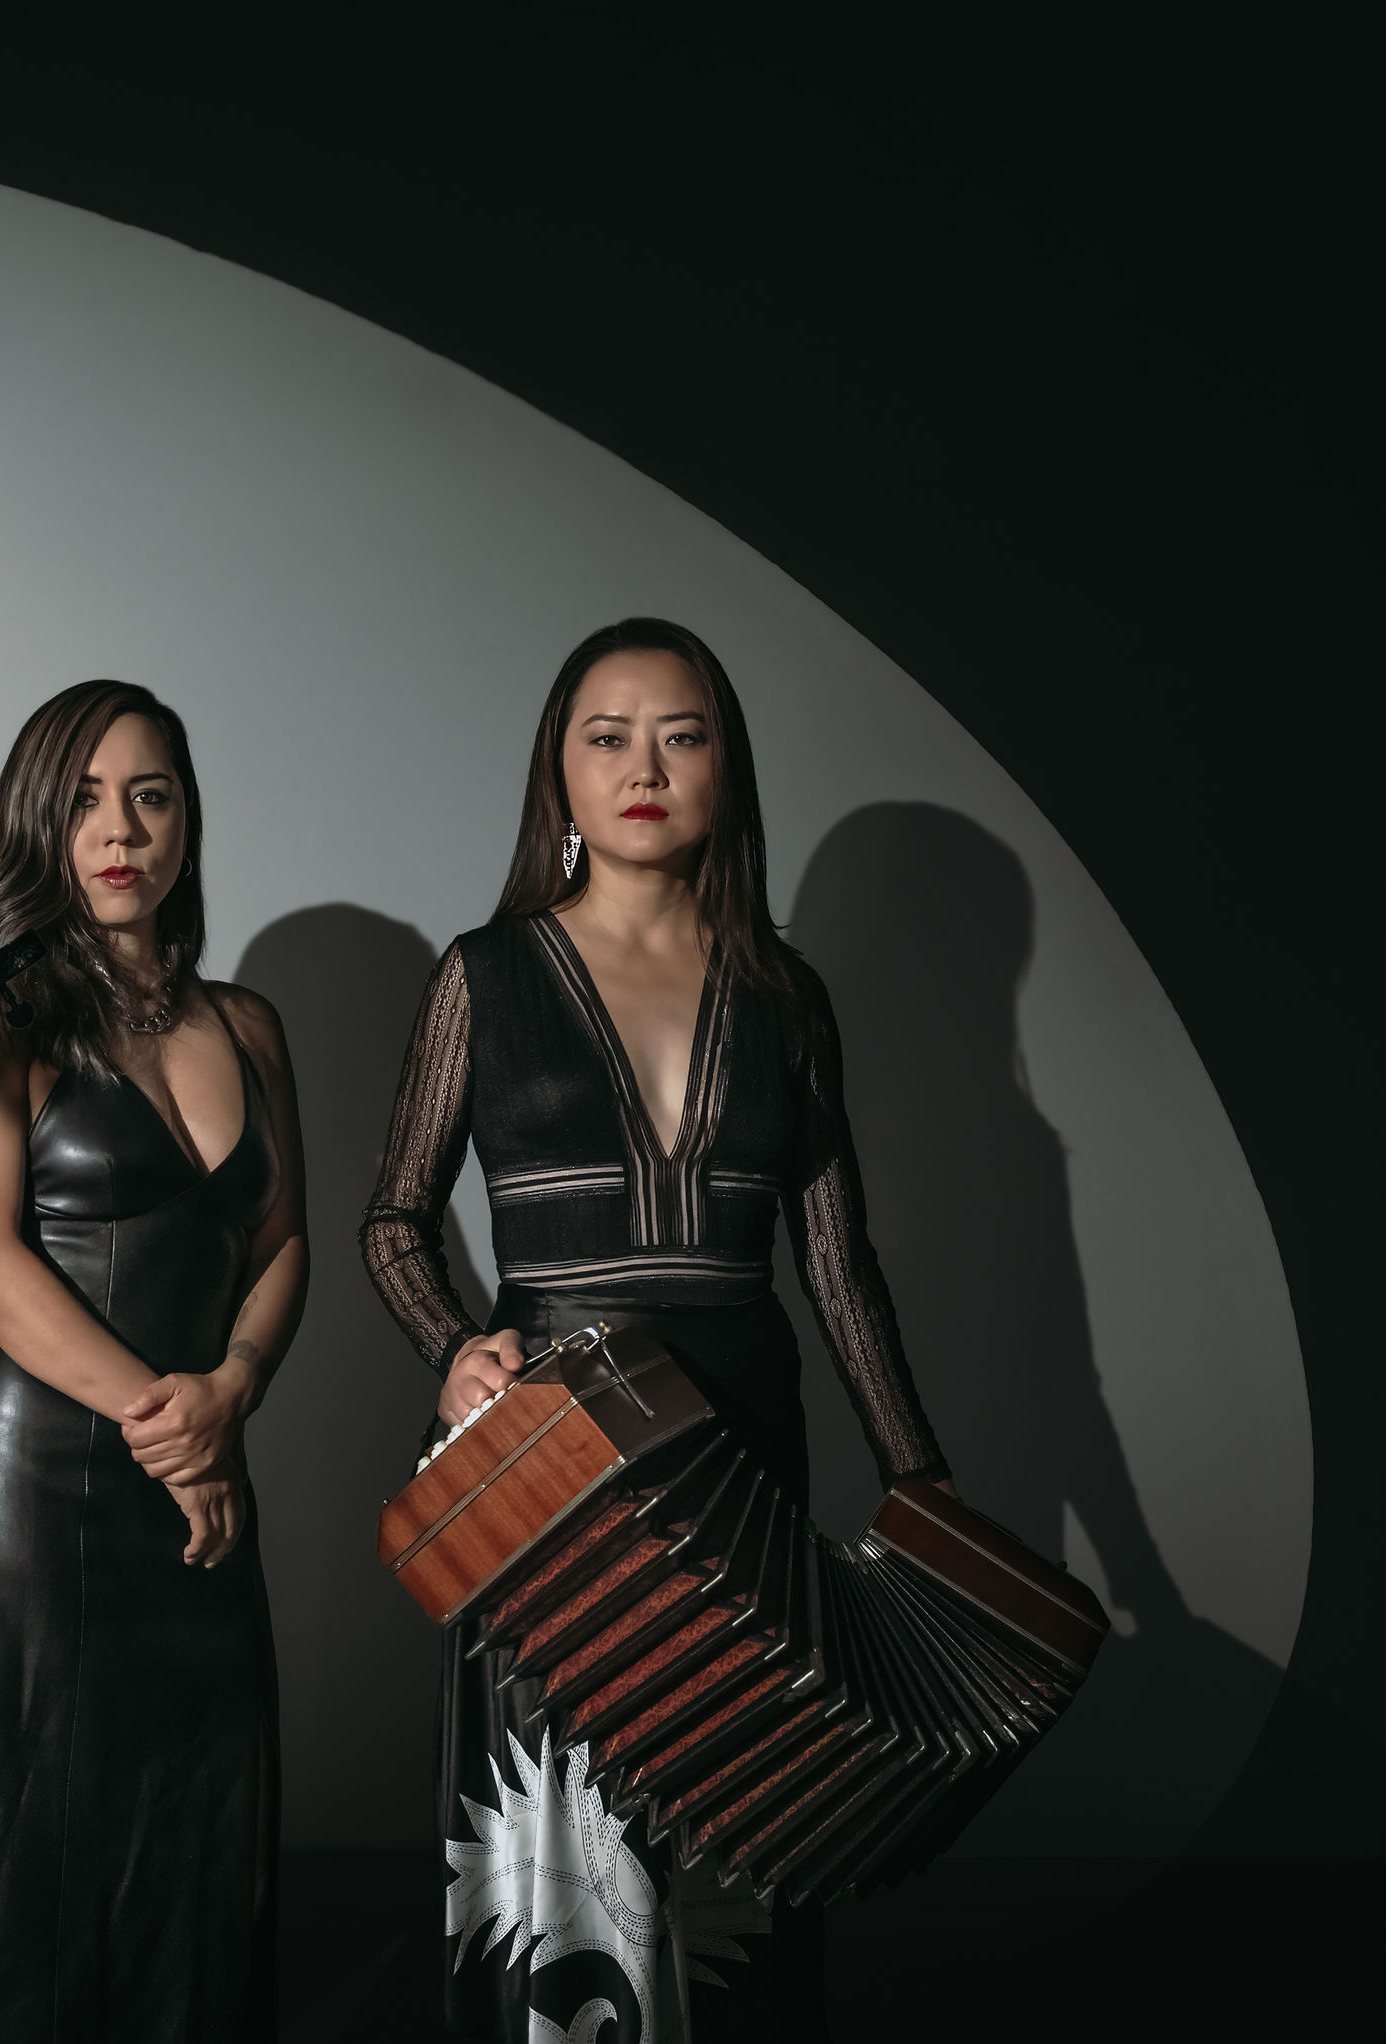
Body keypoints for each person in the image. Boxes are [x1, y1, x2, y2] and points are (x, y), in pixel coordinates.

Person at [362, 617, 953, 2043]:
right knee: (565, 1839)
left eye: (682, 736)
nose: (646, 767)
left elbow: (838, 1265)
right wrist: (453, 1344)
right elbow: (392, 1221)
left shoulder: (788, 998)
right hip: (547, 1452)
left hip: (743, 1450)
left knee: (746, 1810)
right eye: (609, 737)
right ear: (558, 775)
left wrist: (920, 1482)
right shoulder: (484, 974)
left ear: (725, 770)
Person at [0, 679, 306, 2043]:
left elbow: (281, 1242)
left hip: (201, 1458)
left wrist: (232, 1395)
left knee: (189, 1830)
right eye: (87, 799)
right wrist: (175, 1433)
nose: (122, 830)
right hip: (34, 1480)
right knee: (7, 1840)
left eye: (152, 796)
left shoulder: (251, 1025)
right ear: (37, 823)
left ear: (189, 822)